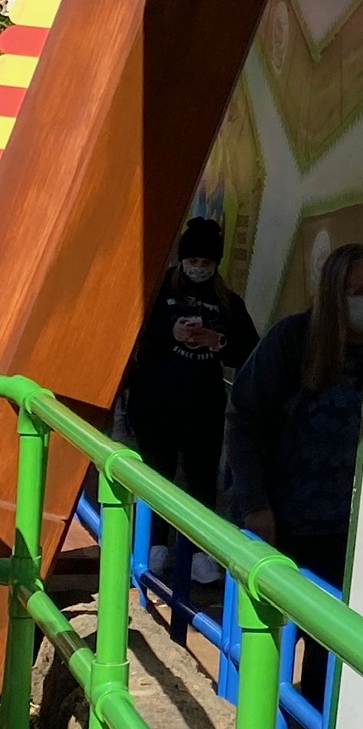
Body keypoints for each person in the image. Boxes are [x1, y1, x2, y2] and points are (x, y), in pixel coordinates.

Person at [226, 243, 363, 702]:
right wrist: (255, 504)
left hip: (349, 529)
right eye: (355, 291)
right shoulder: (293, 340)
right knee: (265, 634)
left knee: (327, 642)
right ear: (333, 293)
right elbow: (245, 419)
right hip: (284, 520)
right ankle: (251, 721)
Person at [124, 219, 258, 576]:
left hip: (203, 406)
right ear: (182, 259)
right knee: (157, 474)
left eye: (206, 263)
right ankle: (153, 546)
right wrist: (170, 330)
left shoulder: (228, 302)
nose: (199, 268)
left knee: (202, 480)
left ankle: (200, 551)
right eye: (193, 261)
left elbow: (249, 351)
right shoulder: (157, 290)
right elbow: (132, 334)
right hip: (154, 403)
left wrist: (218, 341)